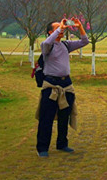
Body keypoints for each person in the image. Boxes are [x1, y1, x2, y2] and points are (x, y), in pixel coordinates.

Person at [36, 17, 89, 158]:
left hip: (66, 85)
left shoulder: (66, 45)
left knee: (64, 117)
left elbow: (85, 41)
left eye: (62, 28)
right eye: (57, 28)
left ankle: (62, 144)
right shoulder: (47, 46)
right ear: (49, 32)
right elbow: (47, 42)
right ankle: (42, 148)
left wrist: (79, 26)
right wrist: (60, 27)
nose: (62, 29)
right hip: (51, 85)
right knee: (46, 118)